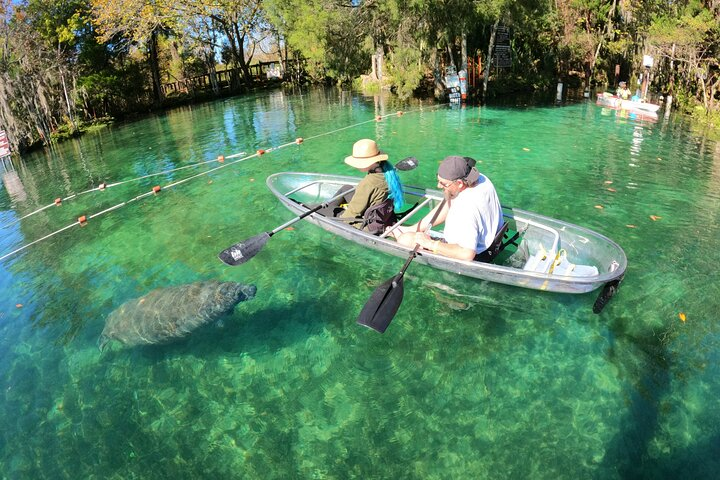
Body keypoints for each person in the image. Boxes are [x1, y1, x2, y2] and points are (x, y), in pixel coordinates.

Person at [393, 155, 503, 261]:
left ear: (459, 183)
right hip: (493, 242)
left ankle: (404, 236)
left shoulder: (465, 208)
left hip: (475, 254)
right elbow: (448, 203)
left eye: (444, 184)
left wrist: (429, 243)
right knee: (408, 233)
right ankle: (411, 229)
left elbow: (467, 254)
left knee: (405, 239)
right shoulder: (481, 179)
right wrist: (413, 229)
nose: (439, 186)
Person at [334, 138, 404, 231]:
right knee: (346, 188)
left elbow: (352, 213)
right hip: (384, 218)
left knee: (323, 208)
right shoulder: (388, 174)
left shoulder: (368, 183)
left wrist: (337, 222)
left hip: (368, 225)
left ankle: (330, 206)